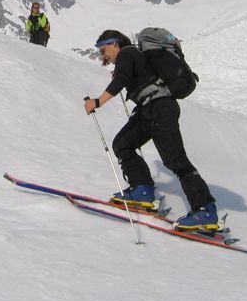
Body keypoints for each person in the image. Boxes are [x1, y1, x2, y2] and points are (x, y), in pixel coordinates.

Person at [83, 30, 218, 230]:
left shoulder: (127, 54)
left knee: (175, 160)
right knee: (123, 143)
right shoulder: (133, 56)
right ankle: (142, 190)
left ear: (113, 44)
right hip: (149, 110)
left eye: (103, 50)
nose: (104, 57)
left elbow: (119, 81)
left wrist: (97, 102)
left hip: (160, 108)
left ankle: (205, 210)